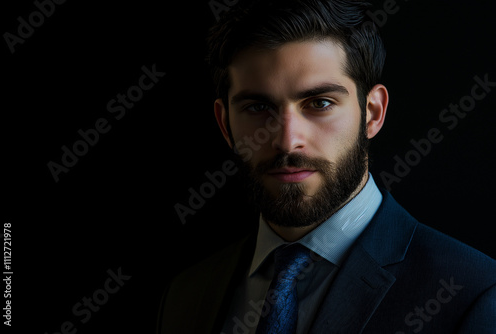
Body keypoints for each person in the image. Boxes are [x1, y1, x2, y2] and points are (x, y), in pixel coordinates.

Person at [158, 0, 496, 333]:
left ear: (373, 113)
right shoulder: (186, 294)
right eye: (258, 107)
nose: (288, 142)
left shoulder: (475, 294)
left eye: (320, 103)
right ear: (225, 123)